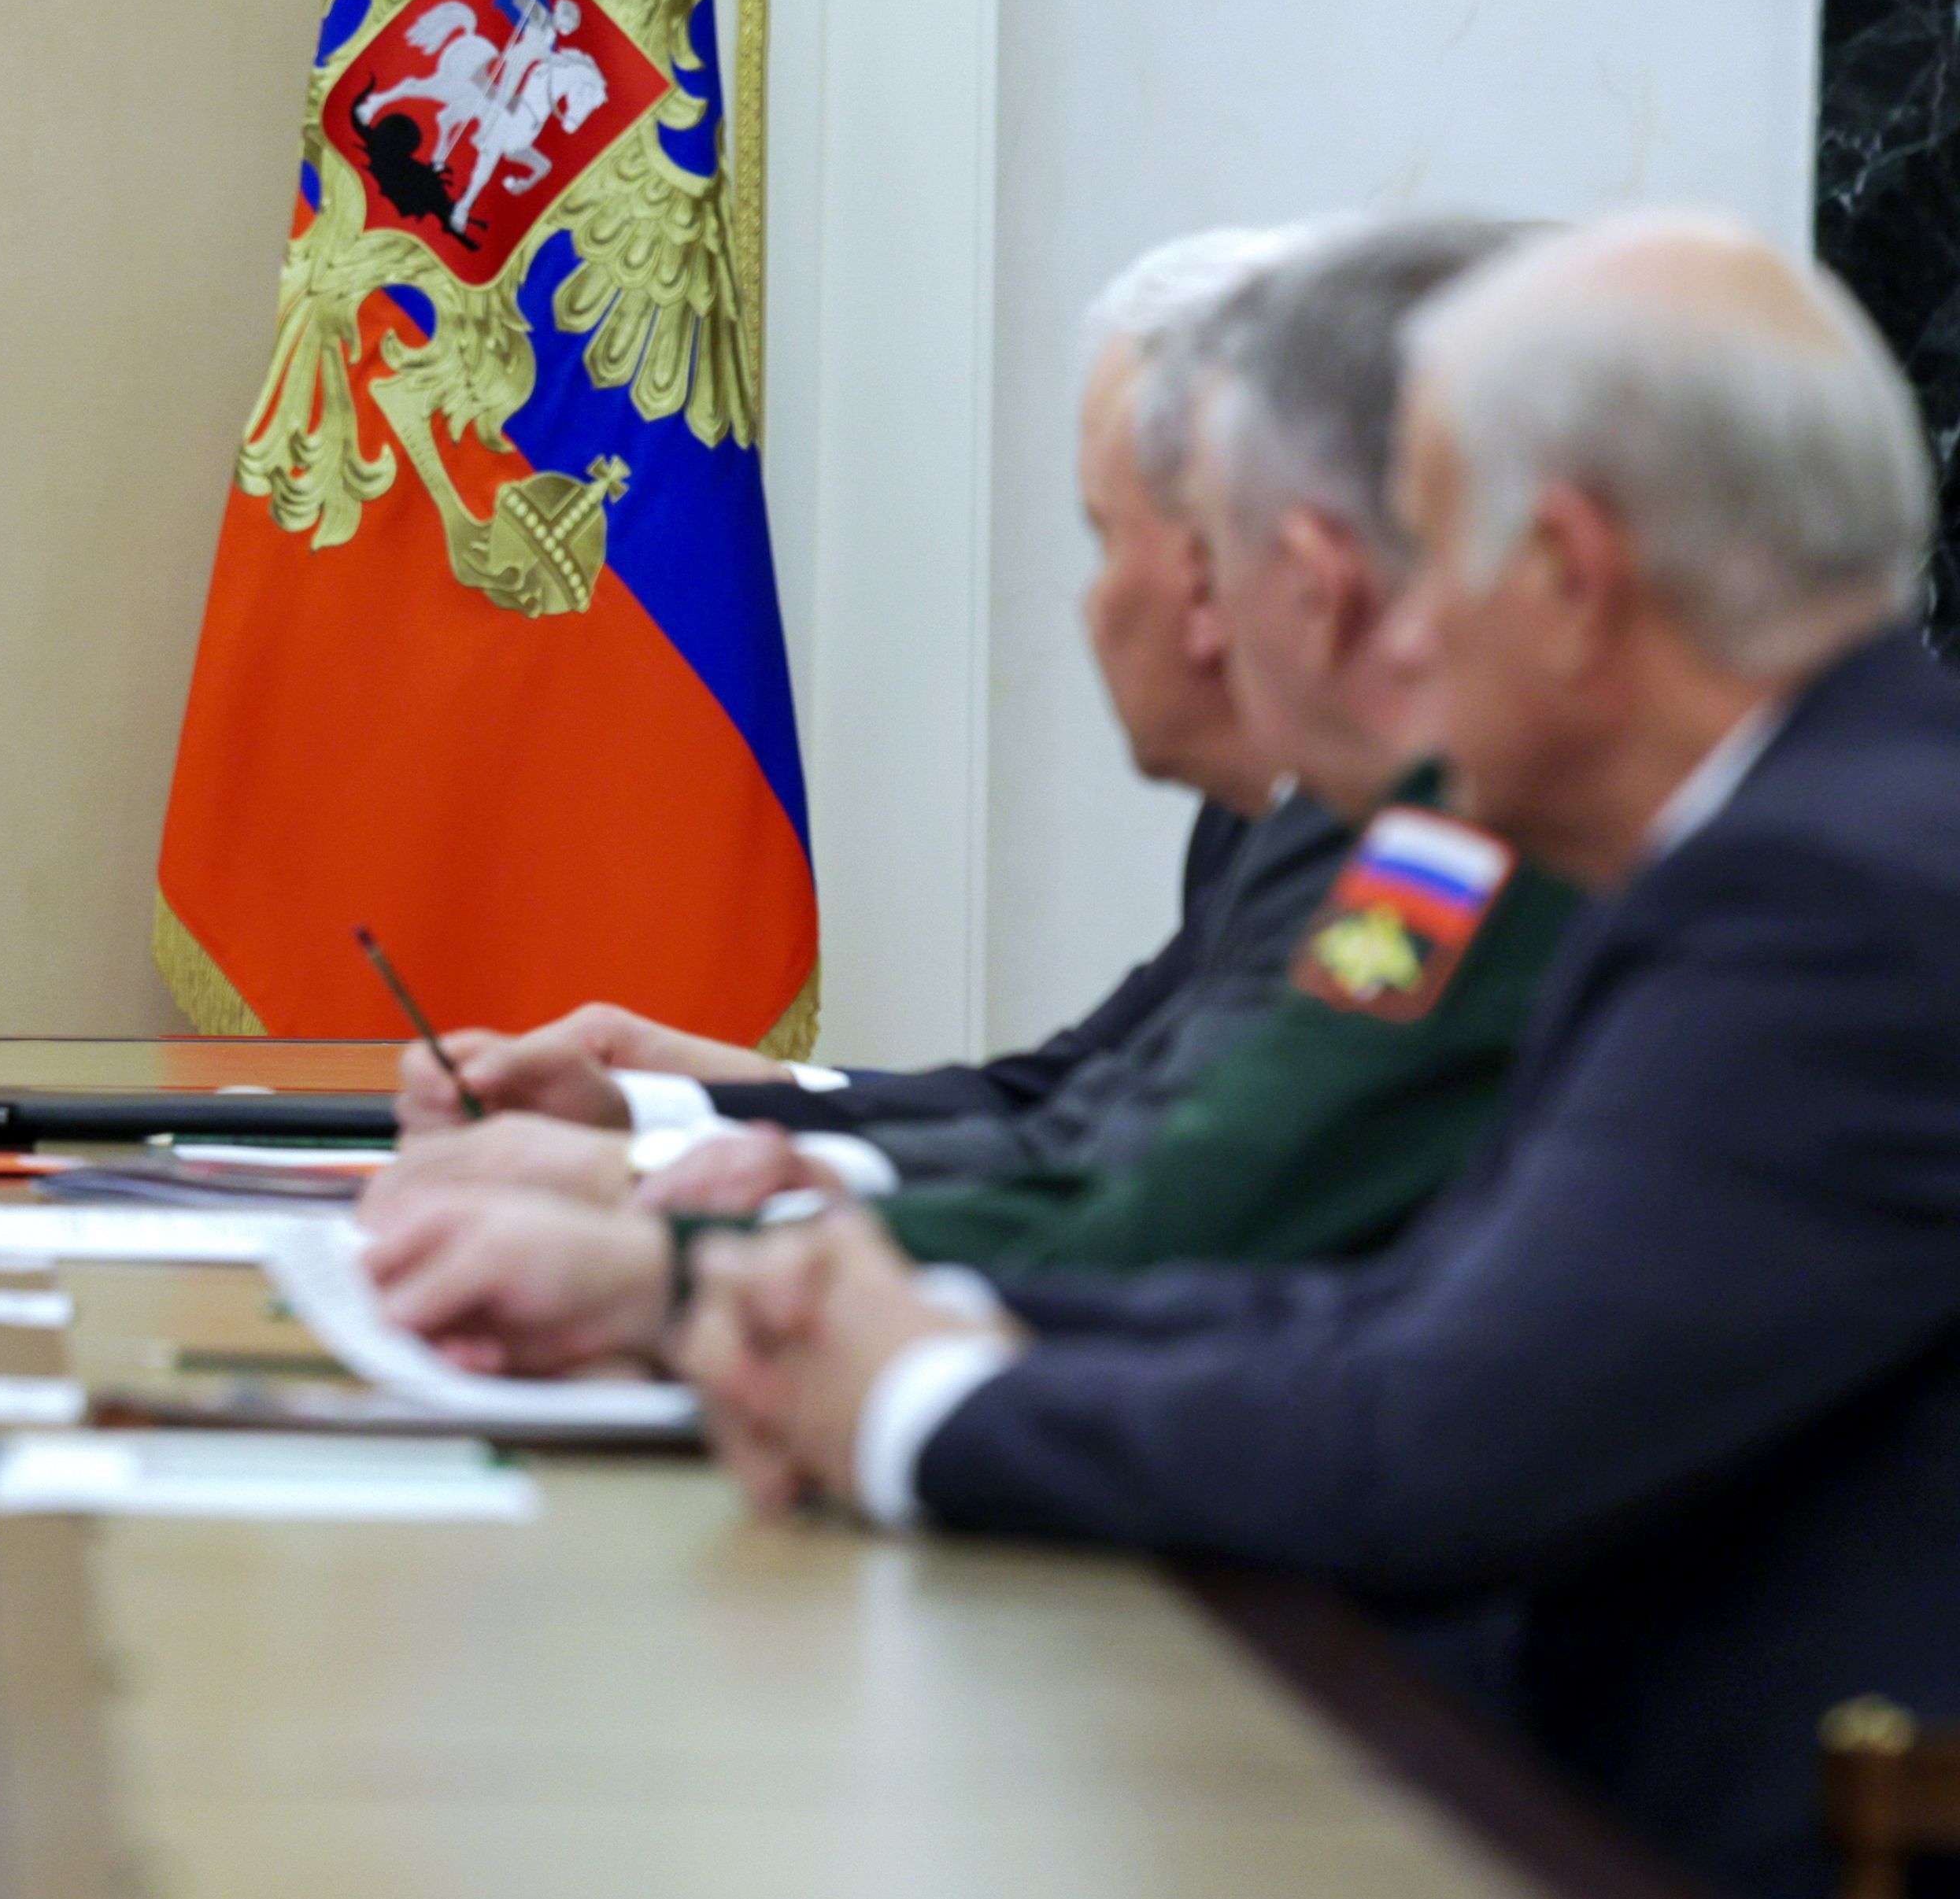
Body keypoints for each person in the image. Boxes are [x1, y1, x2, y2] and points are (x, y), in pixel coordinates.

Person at [679, 213, 1960, 1899]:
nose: (1392, 632)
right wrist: (949, 1321)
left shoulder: (1825, 898)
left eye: (1427, 556)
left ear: (1571, 581)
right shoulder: (1791, 835)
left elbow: (1443, 1436)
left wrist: (915, 1401)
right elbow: (1415, 1311)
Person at [359, 220, 1589, 1373]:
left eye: (1154, 541)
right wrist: (683, 1144)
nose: (1143, 608)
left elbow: (1196, 1202)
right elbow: (1106, 1101)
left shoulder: (1469, 838)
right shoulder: (1389, 811)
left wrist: (676, 1266)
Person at [392, 229, 1348, 1197]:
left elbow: (1162, 1181)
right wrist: (662, 1105)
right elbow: (1073, 1093)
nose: (1093, 602)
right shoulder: (1269, 813)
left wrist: (696, 1228)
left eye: (1105, 535)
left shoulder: (1389, 836)